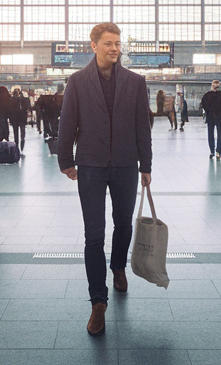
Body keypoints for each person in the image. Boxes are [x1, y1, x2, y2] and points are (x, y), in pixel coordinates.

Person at [57, 22, 152, 337]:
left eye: (117, 43)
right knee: (94, 235)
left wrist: (146, 165)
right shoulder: (78, 81)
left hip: (126, 164)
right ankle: (98, 302)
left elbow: (143, 127)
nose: (114, 48)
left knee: (124, 224)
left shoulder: (135, 83)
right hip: (91, 165)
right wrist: (65, 160)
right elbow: (67, 122)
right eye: (108, 43)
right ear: (93, 45)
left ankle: (119, 267)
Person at [200, 80, 221, 158]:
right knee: (220, 134)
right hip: (219, 116)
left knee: (210, 134)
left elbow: (203, 105)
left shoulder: (207, 95)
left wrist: (207, 112)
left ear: (212, 85)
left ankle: (212, 151)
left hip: (210, 116)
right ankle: (218, 151)